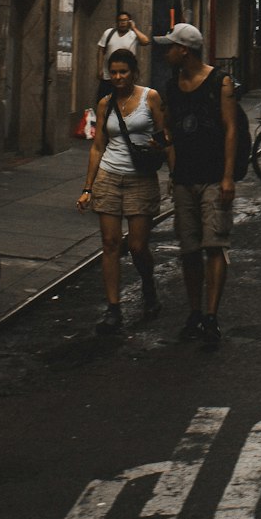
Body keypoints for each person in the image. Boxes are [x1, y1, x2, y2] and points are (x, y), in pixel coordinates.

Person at [155, 22, 238, 350]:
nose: (167, 52)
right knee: (189, 250)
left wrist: (228, 177)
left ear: (184, 51)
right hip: (185, 180)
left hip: (214, 178)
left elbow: (231, 129)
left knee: (214, 245)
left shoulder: (220, 82)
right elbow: (169, 131)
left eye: (171, 47)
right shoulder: (172, 86)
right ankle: (193, 312)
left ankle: (211, 315)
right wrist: (170, 168)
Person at [77, 49, 166, 335]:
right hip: (109, 177)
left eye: (123, 72)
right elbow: (98, 146)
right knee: (110, 244)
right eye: (113, 72)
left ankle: (148, 287)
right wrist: (87, 187)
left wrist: (162, 151)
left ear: (134, 72)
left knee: (138, 246)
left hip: (141, 179)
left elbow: (166, 137)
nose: (117, 77)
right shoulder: (105, 103)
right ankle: (113, 308)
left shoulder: (150, 97)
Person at [96, 10, 150, 102]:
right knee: (104, 100)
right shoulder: (109, 33)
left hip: (126, 76)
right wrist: (99, 68)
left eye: (125, 20)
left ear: (130, 22)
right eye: (120, 21)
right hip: (108, 75)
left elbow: (146, 41)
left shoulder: (133, 35)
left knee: (123, 100)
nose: (122, 23)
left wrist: (134, 28)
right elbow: (101, 50)